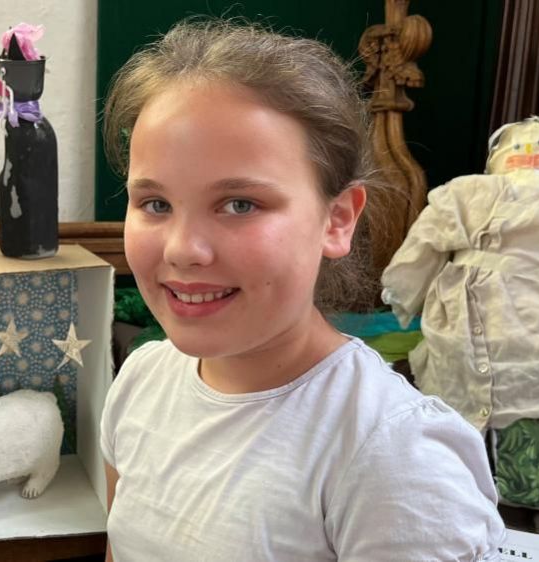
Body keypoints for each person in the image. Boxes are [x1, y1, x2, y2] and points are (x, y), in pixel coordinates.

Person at [99, 18, 506, 561]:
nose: (182, 249)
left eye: (240, 203)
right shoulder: (142, 380)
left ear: (337, 220)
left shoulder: (393, 457)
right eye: (155, 204)